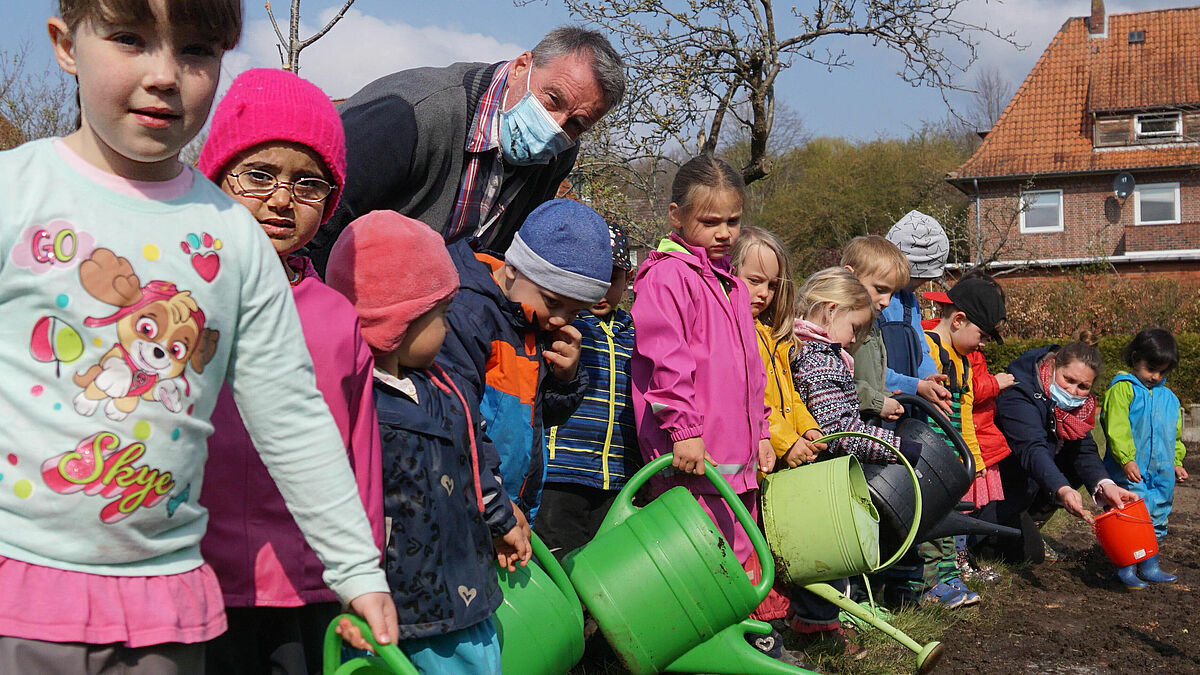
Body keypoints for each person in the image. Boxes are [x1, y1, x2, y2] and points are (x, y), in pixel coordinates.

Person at [0, 1, 395, 671]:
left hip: (168, 607)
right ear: (65, 45)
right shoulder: (17, 192)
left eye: (195, 51)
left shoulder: (231, 236)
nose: (164, 75)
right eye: (130, 39)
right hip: (19, 589)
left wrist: (356, 565)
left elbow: (292, 414)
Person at [195, 68, 383, 675]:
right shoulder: (179, 297)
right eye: (259, 175)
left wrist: (364, 572)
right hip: (194, 579)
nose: (281, 199)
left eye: (308, 183)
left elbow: (361, 459)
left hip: (306, 584)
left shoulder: (336, 317)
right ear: (218, 177)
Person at [325, 210, 532, 673]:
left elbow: (476, 461)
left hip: (461, 592)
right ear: (396, 322)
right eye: (439, 315)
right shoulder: (351, 400)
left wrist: (501, 520)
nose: (447, 328)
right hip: (392, 604)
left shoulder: (445, 387)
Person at [630, 155, 805, 667]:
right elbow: (667, 360)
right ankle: (709, 652)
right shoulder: (667, 278)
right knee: (705, 559)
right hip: (694, 453)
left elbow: (750, 369)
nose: (725, 232)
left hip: (735, 456)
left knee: (741, 551)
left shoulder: (728, 282)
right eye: (710, 222)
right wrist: (683, 430)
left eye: (733, 221)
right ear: (676, 216)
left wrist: (760, 436)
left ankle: (744, 644)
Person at [309, 26, 625, 271]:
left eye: (576, 124)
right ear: (520, 67)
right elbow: (313, 224)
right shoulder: (414, 111)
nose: (556, 126)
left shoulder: (559, 154)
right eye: (553, 100)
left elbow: (507, 257)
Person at [435, 198, 610, 523]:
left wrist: (565, 379)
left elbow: (539, 417)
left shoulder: (533, 323)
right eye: (553, 302)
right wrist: (494, 503)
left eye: (573, 312)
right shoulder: (468, 315)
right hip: (467, 503)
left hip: (509, 505)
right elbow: (456, 419)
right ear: (514, 268)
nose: (560, 319)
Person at [986, 332, 1139, 564]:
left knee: (1077, 461)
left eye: (1083, 386)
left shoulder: (1079, 408)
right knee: (1028, 555)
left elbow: (1085, 448)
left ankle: (1029, 519)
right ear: (1054, 366)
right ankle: (980, 538)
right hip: (1000, 486)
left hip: (1031, 481)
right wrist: (1062, 489)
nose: (1073, 390)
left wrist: (1105, 485)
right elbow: (1032, 448)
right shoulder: (1019, 393)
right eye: (1068, 380)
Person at [539, 223, 640, 560]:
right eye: (592, 276)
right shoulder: (561, 326)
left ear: (628, 280)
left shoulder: (638, 337)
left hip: (618, 480)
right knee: (557, 568)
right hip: (560, 474)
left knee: (606, 574)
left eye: (612, 277)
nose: (601, 289)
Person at [916, 278, 1007, 609]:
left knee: (951, 517)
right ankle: (930, 585)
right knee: (932, 521)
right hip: (928, 454)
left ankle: (948, 576)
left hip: (952, 457)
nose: (981, 345)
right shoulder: (928, 350)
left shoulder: (964, 361)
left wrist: (974, 460)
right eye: (980, 335)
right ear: (958, 320)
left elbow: (964, 414)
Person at [1101, 328, 1187, 588]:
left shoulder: (1169, 397)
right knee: (1130, 516)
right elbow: (1117, 428)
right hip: (1130, 470)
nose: (1156, 376)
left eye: (1163, 372)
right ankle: (1126, 566)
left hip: (1161, 472)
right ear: (1136, 357)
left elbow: (1175, 434)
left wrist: (1177, 461)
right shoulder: (1123, 390)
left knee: (1158, 513)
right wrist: (1126, 459)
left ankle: (1150, 565)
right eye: (1151, 368)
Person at [881, 211, 953, 417]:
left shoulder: (909, 302)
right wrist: (917, 386)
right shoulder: (869, 302)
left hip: (910, 408)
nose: (918, 286)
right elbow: (865, 371)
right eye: (916, 280)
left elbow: (921, 351)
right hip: (879, 411)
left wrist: (929, 377)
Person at [841, 235, 911, 422]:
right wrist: (878, 402)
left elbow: (872, 377)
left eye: (892, 293)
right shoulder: (835, 327)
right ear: (850, 276)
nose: (887, 302)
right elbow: (833, 383)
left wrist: (885, 396)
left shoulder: (871, 326)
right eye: (880, 290)